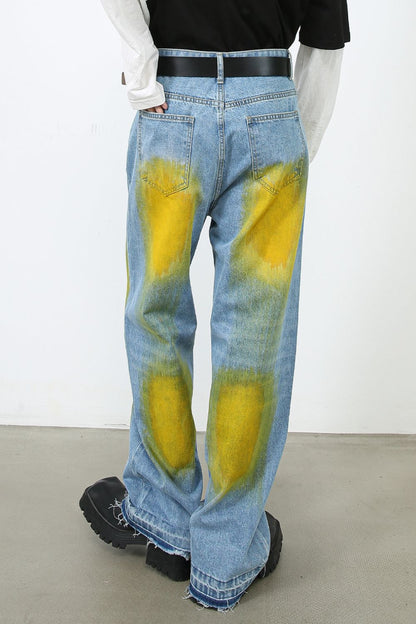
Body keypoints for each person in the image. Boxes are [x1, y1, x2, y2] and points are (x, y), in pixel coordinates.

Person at [79, 0, 351, 612]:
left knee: (155, 314)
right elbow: (325, 43)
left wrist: (142, 71)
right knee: (256, 335)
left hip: (173, 103)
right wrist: (292, 139)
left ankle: (164, 516)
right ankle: (226, 553)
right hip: (270, 102)